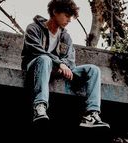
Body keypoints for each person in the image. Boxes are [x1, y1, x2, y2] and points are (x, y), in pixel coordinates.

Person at [21, 0, 110, 128]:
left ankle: (91, 115)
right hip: (35, 67)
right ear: (55, 12)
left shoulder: (65, 36)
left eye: (71, 17)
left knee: (93, 70)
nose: (69, 20)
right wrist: (59, 64)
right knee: (44, 59)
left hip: (58, 70)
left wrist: (63, 66)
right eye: (67, 15)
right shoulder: (33, 28)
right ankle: (39, 107)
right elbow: (35, 50)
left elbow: (70, 60)